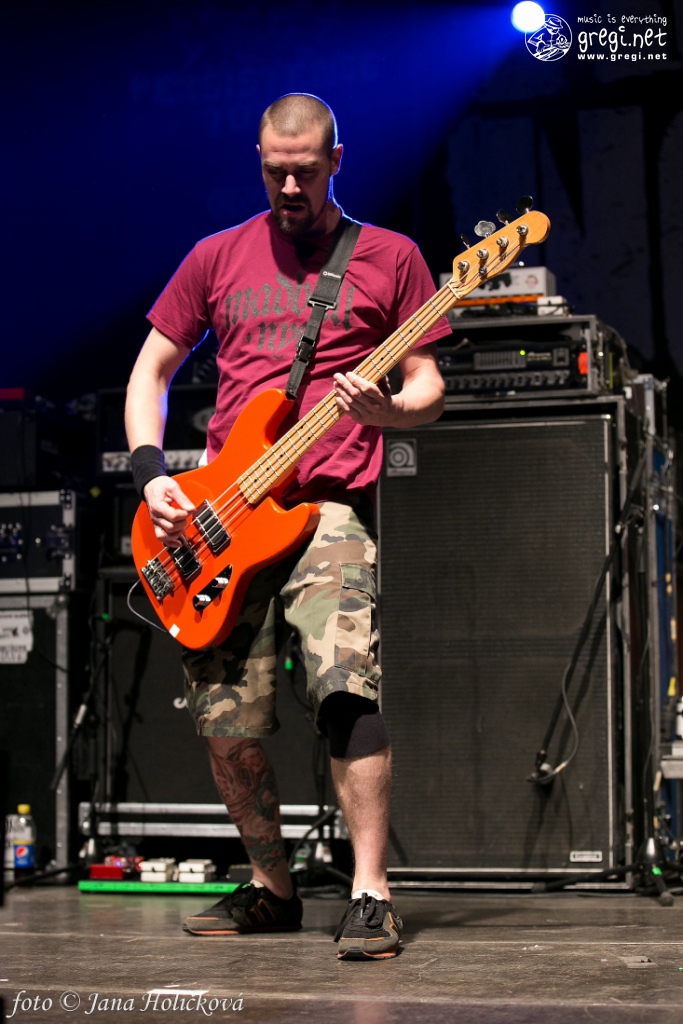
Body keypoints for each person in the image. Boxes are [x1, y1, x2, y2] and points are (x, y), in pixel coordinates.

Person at [125, 93, 451, 959]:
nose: (290, 187)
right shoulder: (215, 256)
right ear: (259, 161)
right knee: (224, 719)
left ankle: (371, 892)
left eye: (305, 171)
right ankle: (272, 889)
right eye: (275, 172)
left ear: (336, 161)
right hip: (224, 514)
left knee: (347, 685)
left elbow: (426, 383)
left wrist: (388, 411)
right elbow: (151, 369)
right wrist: (153, 474)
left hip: (328, 506)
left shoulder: (390, 257)